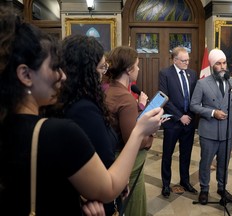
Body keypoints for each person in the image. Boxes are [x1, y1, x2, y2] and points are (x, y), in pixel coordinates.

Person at [0, 7, 163, 216]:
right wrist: (140, 130)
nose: (63, 76)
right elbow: (109, 187)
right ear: (25, 74)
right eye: (54, 67)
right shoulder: (58, 132)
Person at [59, 34, 127, 215]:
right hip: (98, 201)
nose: (103, 74)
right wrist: (141, 131)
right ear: (87, 70)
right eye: (101, 67)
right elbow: (103, 160)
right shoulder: (83, 109)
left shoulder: (76, 101)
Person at [190, 48, 232, 205]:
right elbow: (194, 106)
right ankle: (204, 189)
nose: (222, 66)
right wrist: (213, 112)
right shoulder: (202, 83)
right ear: (213, 65)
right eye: (219, 64)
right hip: (209, 132)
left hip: (227, 132)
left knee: (224, 163)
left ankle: (222, 188)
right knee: (206, 163)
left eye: (224, 63)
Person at [104, 46, 155, 216]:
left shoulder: (108, 89)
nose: (139, 69)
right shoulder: (125, 98)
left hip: (112, 156)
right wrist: (150, 134)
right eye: (137, 65)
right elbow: (134, 141)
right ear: (128, 69)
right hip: (126, 162)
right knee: (135, 206)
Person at [158, 46, 198, 198]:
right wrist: (180, 116)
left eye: (188, 60)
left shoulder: (192, 74)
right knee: (167, 154)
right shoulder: (165, 74)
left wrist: (189, 116)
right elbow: (164, 98)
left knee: (186, 154)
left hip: (189, 121)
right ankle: (166, 184)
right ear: (175, 60)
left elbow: (194, 97)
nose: (187, 63)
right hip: (173, 122)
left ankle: (185, 181)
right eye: (184, 60)